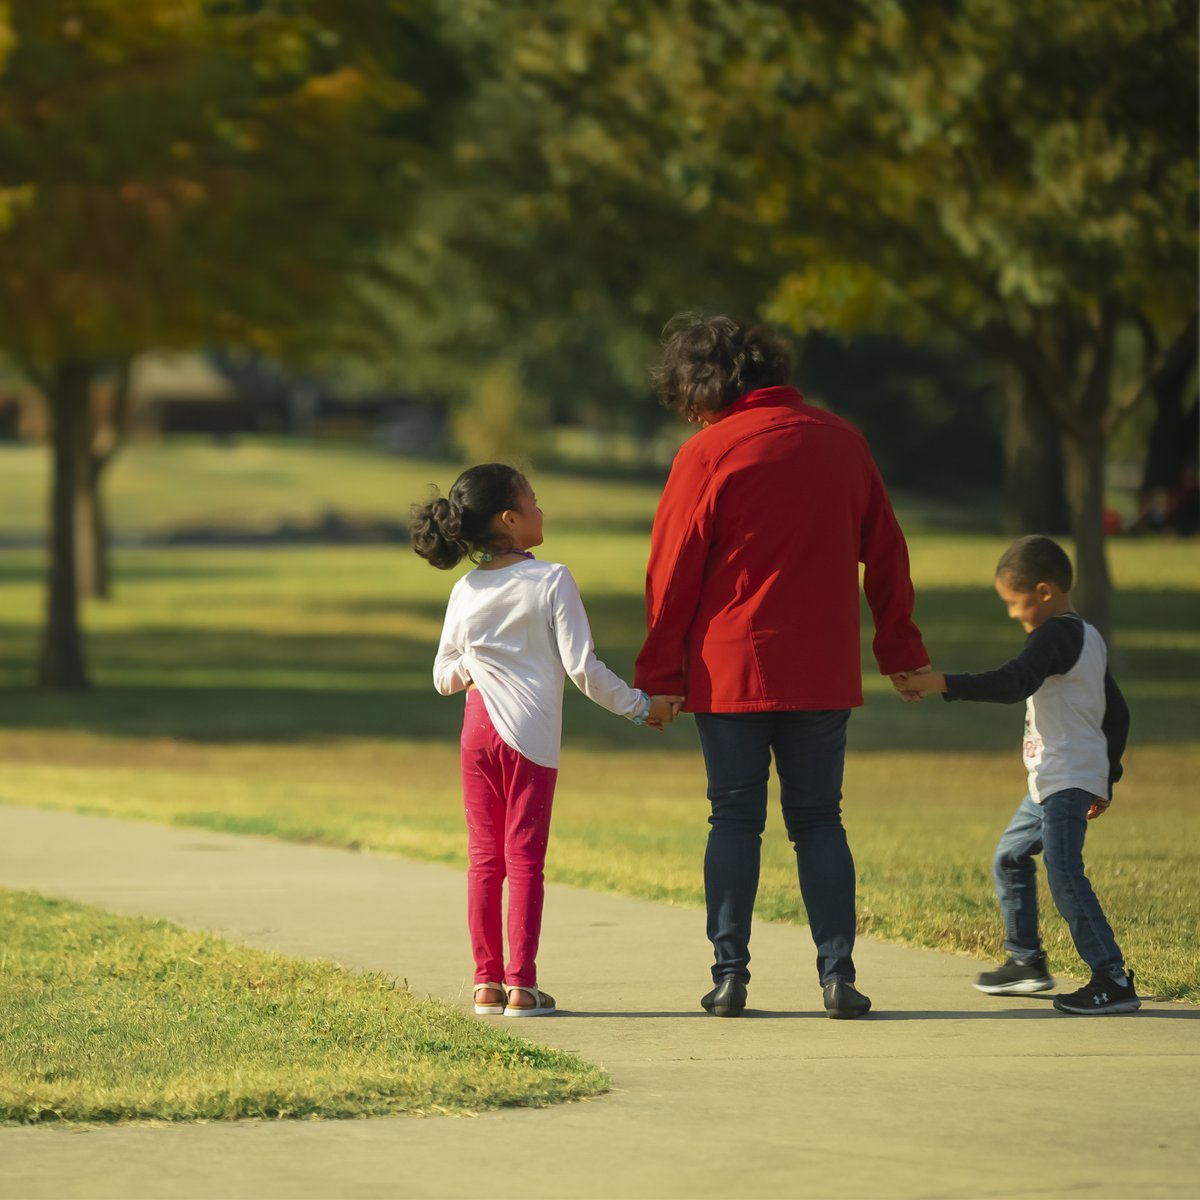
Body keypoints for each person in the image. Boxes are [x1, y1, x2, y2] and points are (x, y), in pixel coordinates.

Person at [634, 314, 929, 1019]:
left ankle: (730, 976)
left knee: (733, 819)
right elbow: (885, 552)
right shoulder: (844, 442)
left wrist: (660, 675)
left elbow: (671, 573)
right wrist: (901, 651)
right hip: (821, 667)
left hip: (730, 666)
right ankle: (838, 976)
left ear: (704, 388)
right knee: (819, 820)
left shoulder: (708, 453)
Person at [412, 463, 683, 1018]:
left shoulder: (466, 589)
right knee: (525, 860)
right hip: (528, 738)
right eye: (533, 501)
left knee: (484, 858)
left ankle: (486, 983)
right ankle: (522, 986)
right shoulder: (552, 579)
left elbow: (442, 677)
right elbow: (583, 669)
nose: (541, 509)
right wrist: (641, 707)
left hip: (476, 735)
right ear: (510, 520)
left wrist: (476, 661)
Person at [892, 535, 1137, 1015]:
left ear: (1044, 591)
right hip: (1053, 778)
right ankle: (1026, 963)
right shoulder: (1087, 634)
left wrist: (941, 682)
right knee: (1009, 857)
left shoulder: (1054, 636)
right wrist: (1107, 775)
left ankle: (1111, 977)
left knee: (1064, 872)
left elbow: (1013, 682)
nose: (1011, 613)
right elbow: (1119, 712)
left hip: (1065, 777)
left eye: (1013, 601)